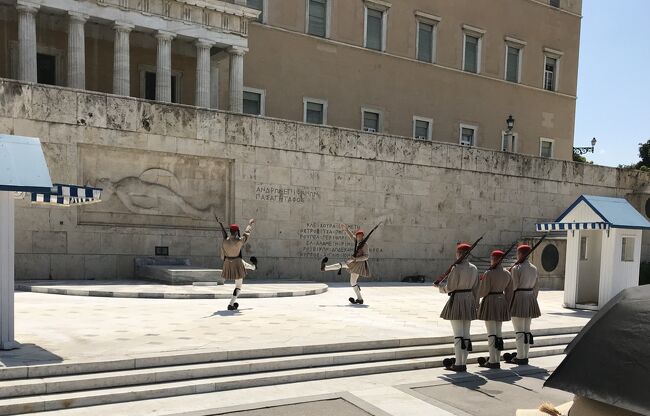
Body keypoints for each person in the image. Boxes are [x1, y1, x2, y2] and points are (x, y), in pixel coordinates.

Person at [438, 243, 479, 372]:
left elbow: (450, 287)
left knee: (458, 335)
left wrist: (440, 288)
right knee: (466, 334)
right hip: (469, 300)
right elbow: (476, 288)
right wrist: (475, 303)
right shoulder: (474, 268)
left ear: (460, 254)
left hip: (458, 300)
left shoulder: (456, 268)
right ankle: (463, 362)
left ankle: (459, 364)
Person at [504, 244, 541, 365]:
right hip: (530, 298)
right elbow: (536, 287)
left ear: (520, 254)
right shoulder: (534, 268)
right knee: (526, 330)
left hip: (519, 298)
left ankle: (520, 357)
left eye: (517, 253)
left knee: (519, 331)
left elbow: (513, 287)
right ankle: (525, 355)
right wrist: (532, 299)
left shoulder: (517, 268)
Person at [477, 250, 512, 369]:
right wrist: (505, 303)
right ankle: (497, 359)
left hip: (491, 301)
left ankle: (493, 361)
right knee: (498, 333)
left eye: (491, 258)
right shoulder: (507, 273)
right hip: (501, 301)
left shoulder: (489, 273)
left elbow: (483, 291)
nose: (490, 261)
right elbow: (510, 292)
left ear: (494, 259)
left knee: (491, 333)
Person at [321, 223, 370, 304]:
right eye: (358, 235)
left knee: (352, 281)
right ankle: (360, 299)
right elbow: (351, 237)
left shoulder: (365, 245)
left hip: (358, 265)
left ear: (362, 236)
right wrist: (346, 230)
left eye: (360, 236)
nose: (358, 237)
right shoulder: (357, 242)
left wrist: (356, 259)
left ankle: (325, 268)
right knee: (351, 280)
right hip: (353, 261)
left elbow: (366, 257)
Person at [221, 218, 255, 311]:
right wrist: (250, 224)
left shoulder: (225, 241)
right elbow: (246, 234)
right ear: (236, 232)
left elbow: (224, 236)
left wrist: (220, 224)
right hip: (237, 263)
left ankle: (252, 267)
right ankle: (231, 304)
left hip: (228, 263)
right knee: (238, 286)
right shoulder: (239, 241)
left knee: (243, 263)